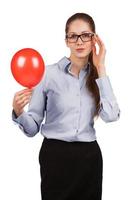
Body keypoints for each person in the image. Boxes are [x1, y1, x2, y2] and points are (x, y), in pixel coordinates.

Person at [12, 12, 120, 200]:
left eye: (85, 35)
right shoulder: (47, 74)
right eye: (73, 36)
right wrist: (19, 112)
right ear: (66, 41)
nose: (79, 41)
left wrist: (101, 67)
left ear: (94, 39)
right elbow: (32, 128)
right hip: (55, 157)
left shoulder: (98, 78)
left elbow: (111, 116)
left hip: (89, 159)